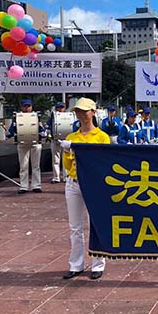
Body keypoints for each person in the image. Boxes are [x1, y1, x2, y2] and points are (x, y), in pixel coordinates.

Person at [60, 97, 110, 280]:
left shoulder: (102, 137)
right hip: (74, 183)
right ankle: (76, 264)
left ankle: (98, 264)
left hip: (94, 185)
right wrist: (68, 153)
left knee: (95, 224)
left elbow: (104, 163)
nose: (81, 114)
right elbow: (68, 165)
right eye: (78, 111)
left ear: (93, 112)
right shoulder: (72, 137)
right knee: (75, 227)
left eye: (84, 111)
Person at [7, 99, 46, 193]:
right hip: (22, 143)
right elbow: (12, 130)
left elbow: (41, 129)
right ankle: (24, 186)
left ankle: (36, 185)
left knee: (36, 166)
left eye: (28, 106)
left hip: (35, 143)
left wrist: (44, 133)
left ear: (31, 107)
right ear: (21, 107)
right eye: (25, 106)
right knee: (23, 166)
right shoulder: (17, 117)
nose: (27, 108)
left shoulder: (36, 116)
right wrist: (9, 134)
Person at [47, 102, 67, 183]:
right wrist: (49, 136)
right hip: (55, 139)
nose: (60, 109)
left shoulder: (68, 116)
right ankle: (56, 177)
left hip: (66, 139)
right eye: (58, 107)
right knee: (55, 159)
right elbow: (48, 126)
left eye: (62, 107)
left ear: (64, 108)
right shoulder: (53, 117)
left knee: (66, 159)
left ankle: (66, 177)